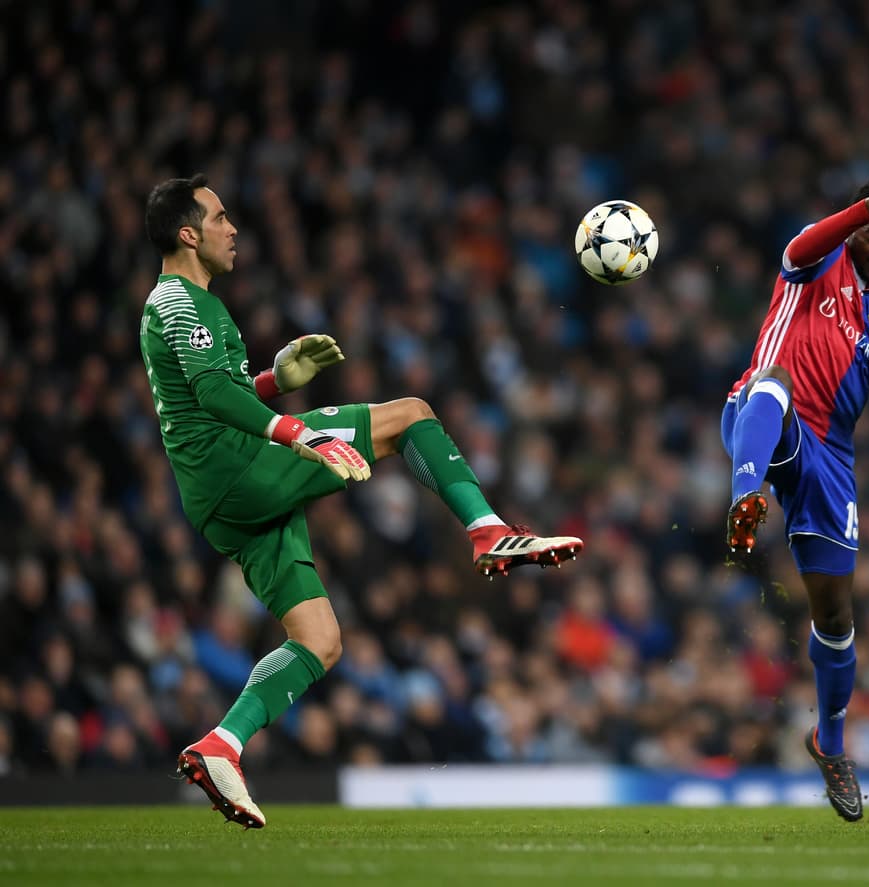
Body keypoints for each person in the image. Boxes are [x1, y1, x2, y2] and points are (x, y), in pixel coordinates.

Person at [139, 174, 583, 827]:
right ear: (188, 232)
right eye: (220, 217)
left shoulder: (191, 306)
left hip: (221, 497)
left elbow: (213, 393)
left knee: (318, 641)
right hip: (238, 471)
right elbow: (209, 397)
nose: (233, 228)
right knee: (410, 414)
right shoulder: (180, 300)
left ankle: (220, 745)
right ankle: (487, 530)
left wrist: (271, 381)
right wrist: (298, 429)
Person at [722, 176, 869, 821]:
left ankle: (828, 743)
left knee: (835, 621)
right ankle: (744, 498)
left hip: (831, 459)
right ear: (856, 225)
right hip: (767, 412)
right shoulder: (815, 262)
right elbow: (808, 239)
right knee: (772, 380)